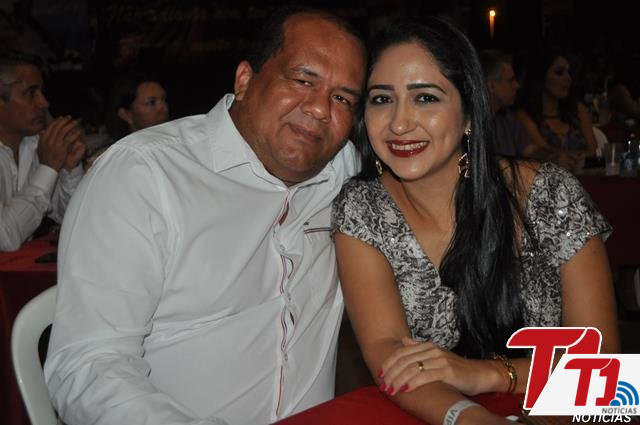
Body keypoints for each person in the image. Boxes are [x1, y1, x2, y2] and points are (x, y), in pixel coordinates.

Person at [44, 7, 365, 425]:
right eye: (303, 80)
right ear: (245, 80)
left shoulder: (344, 174)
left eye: (343, 98)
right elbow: (87, 366)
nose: (321, 109)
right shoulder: (145, 176)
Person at [332, 18, 619, 425]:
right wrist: (467, 417)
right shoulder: (364, 209)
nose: (398, 123)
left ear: (469, 113)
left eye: (425, 98)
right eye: (381, 99)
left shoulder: (549, 195)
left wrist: (485, 374)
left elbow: (603, 365)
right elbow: (388, 352)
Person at [0, 49, 85, 251]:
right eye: (31, 93)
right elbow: (4, 237)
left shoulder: (35, 143)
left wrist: (70, 170)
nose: (44, 103)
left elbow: (73, 218)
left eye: (41, 92)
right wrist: (48, 168)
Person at [516, 48, 598, 173]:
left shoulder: (578, 109)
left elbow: (593, 150)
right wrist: (576, 156)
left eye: (569, 73)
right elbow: (542, 151)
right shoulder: (525, 115)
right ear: (541, 76)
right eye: (559, 73)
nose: (568, 79)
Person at [479, 49, 534, 158]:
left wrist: (555, 157)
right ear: (491, 86)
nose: (517, 85)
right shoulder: (471, 124)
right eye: (510, 80)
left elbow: (530, 150)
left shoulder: (508, 118)